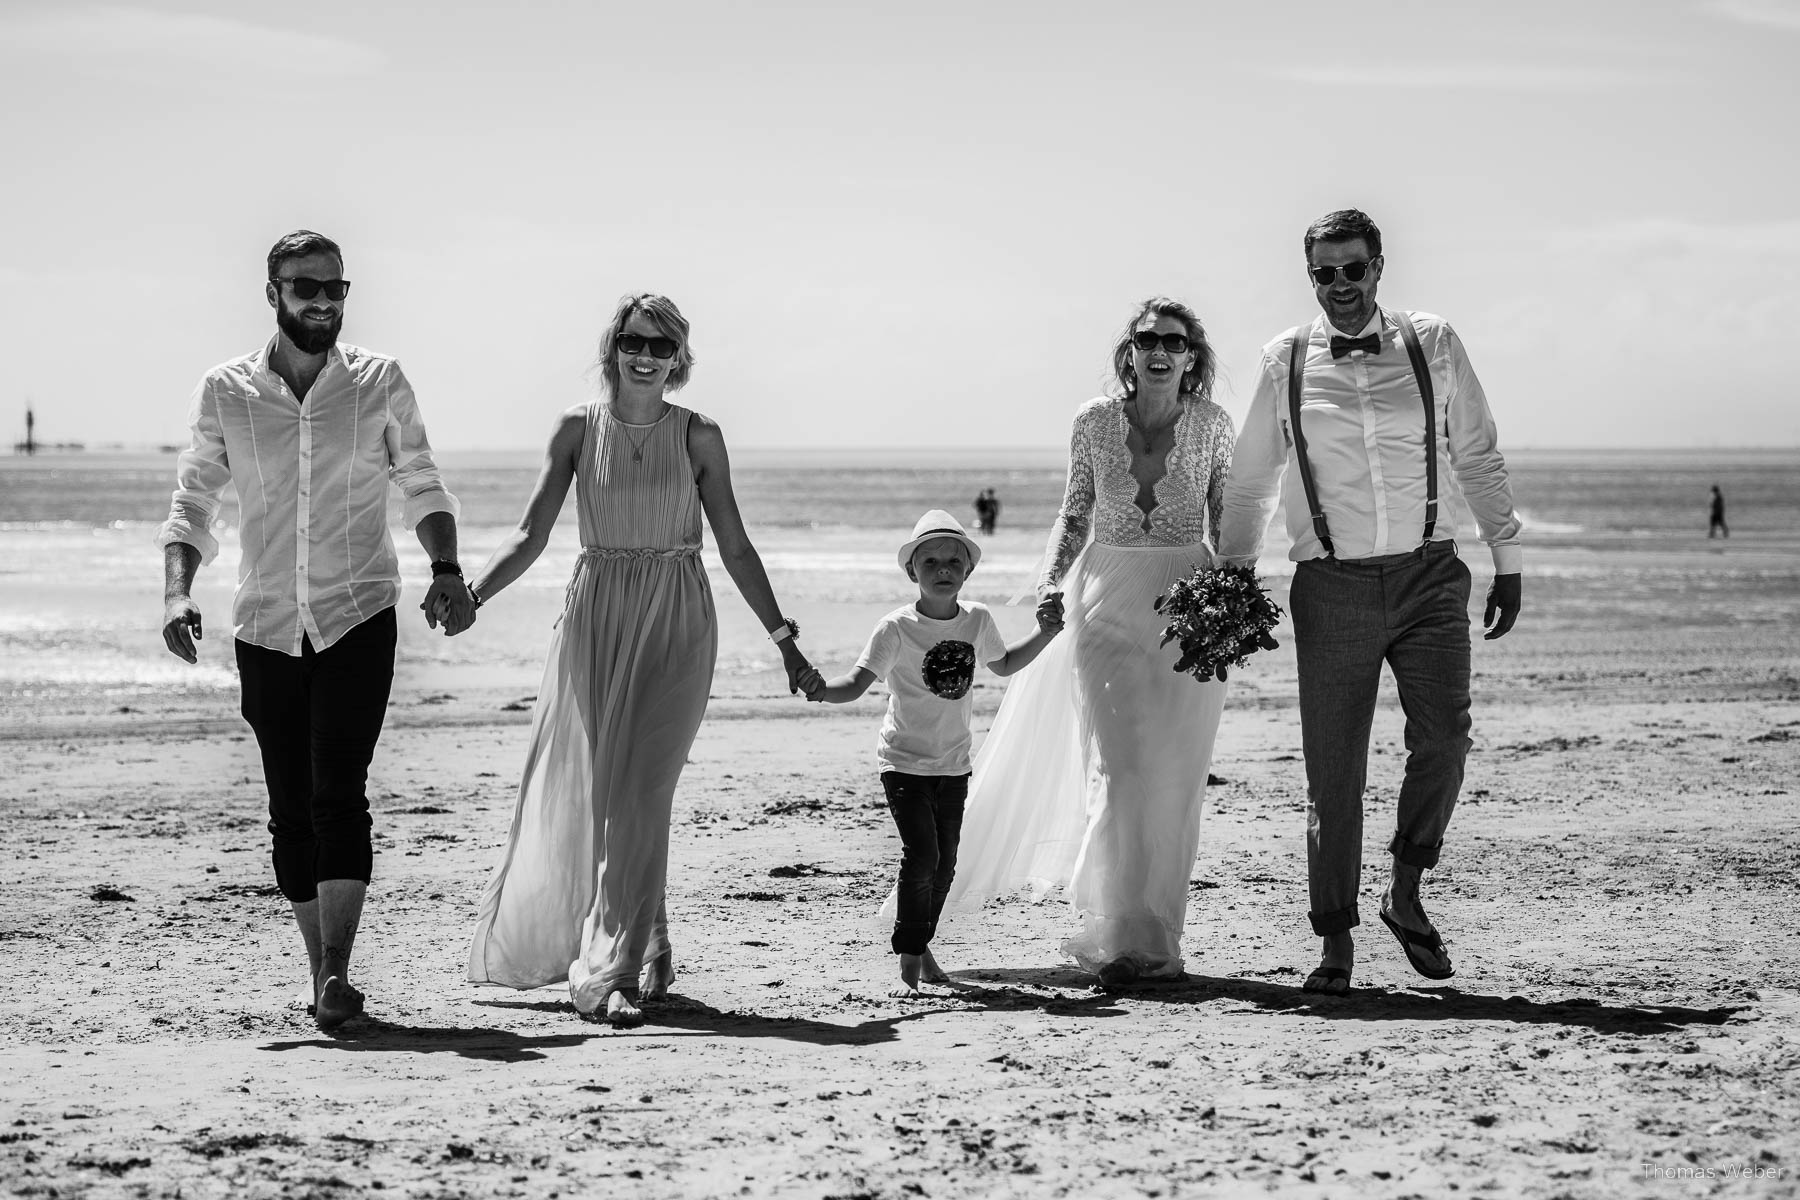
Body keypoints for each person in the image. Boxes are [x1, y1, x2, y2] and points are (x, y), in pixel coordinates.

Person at [463, 293, 815, 1027]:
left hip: (679, 617)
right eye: (633, 340)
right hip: (598, 616)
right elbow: (530, 533)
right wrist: (472, 593)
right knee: (610, 797)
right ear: (613, 347)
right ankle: (651, 940)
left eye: (661, 344)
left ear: (679, 356)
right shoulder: (574, 429)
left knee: (644, 791)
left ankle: (607, 969)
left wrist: (784, 639)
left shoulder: (699, 436)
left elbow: (736, 546)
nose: (645, 354)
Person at [157, 230, 474, 1031]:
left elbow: (422, 480)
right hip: (265, 624)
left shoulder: (378, 383)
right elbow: (194, 501)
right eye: (306, 288)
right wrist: (176, 594)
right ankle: (318, 968)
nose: (323, 302)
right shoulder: (227, 391)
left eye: (336, 288)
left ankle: (337, 969)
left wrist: (445, 569)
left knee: (341, 791)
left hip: (358, 615)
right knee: (288, 805)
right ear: (273, 292)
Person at [1217, 208, 1523, 996]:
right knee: (1334, 773)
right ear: (1310, 276)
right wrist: (1231, 576)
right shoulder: (1284, 360)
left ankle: (1406, 890)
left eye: (1354, 270)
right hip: (1332, 586)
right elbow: (1251, 478)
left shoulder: (1434, 343)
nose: (1340, 286)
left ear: (1379, 267)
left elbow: (1477, 450)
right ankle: (1336, 944)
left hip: (1429, 575)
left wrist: (1507, 554)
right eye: (1325, 273)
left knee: (1445, 743)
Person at [944, 298, 1236, 987]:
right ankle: (1115, 934)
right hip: (1104, 596)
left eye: (1174, 340)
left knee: (1175, 779)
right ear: (1128, 353)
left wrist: (1233, 601)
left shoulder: (1215, 425)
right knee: (1120, 769)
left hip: (1187, 604)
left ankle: (1158, 935)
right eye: (1146, 339)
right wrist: (1049, 580)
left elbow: (1226, 519)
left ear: (1192, 356)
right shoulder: (1094, 421)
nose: (1159, 350)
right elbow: (1074, 511)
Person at [799, 510, 1064, 995]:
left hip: (954, 763)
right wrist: (820, 689)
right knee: (921, 856)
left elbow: (1004, 665)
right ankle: (908, 957)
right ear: (911, 572)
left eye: (953, 562)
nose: (943, 569)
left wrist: (1046, 633)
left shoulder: (977, 620)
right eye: (931, 561)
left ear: (968, 571)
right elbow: (856, 685)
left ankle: (922, 949)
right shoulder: (895, 628)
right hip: (902, 762)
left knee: (945, 866)